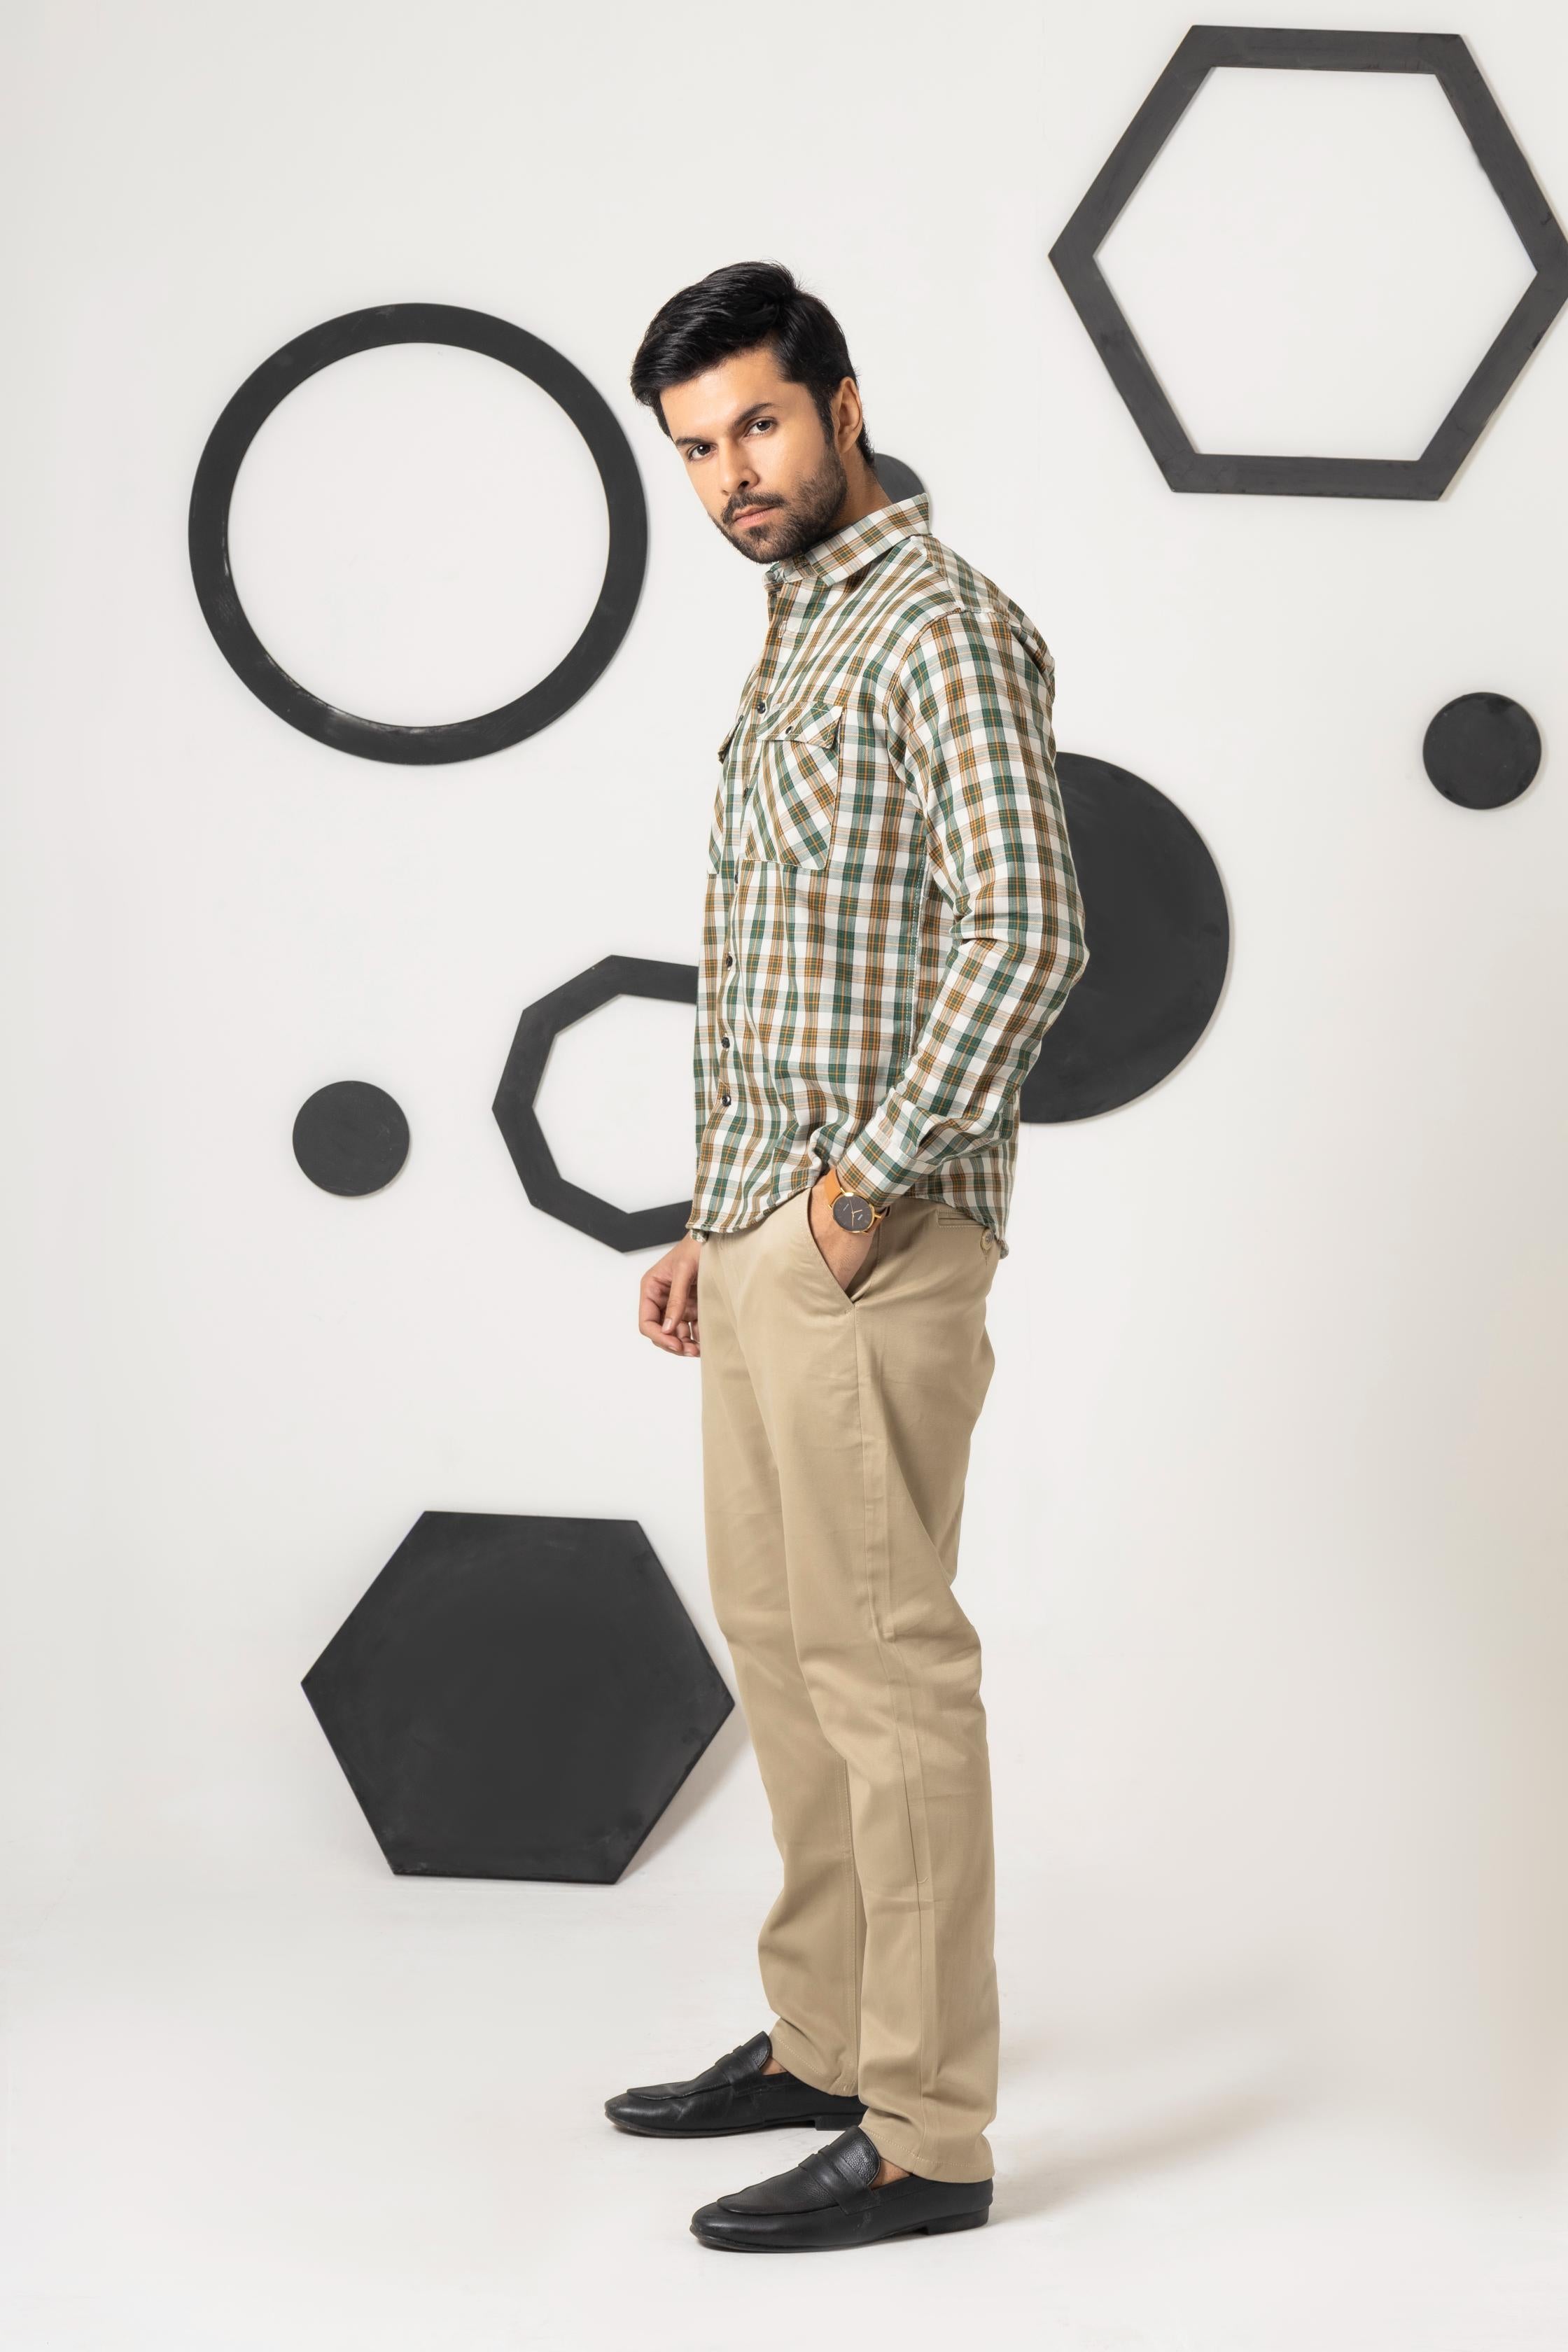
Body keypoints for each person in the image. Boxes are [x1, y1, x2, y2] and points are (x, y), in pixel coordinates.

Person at [614, 260, 1089, 2253]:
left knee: (886, 1674)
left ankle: (925, 2134)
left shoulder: (939, 624)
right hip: (768, 1236)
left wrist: (854, 1196)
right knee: (789, 1655)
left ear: (843, 405)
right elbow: (796, 968)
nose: (734, 472)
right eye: (697, 447)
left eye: (759, 423)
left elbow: (1030, 929)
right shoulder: (798, 633)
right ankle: (826, 2039)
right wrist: (717, 1218)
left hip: (871, 1248)